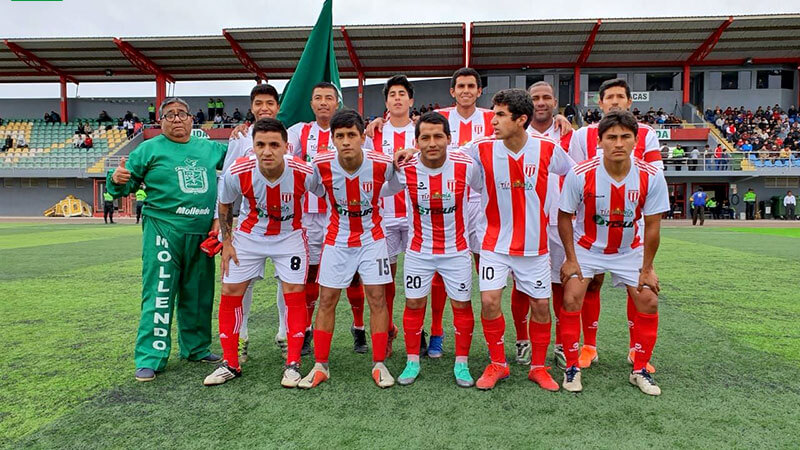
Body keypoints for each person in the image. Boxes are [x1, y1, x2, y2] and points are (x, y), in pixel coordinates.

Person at [394, 89, 575, 390]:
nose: (493, 120)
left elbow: (573, 174)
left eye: (501, 115)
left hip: (534, 245)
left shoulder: (548, 149)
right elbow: (441, 150)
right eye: (493, 112)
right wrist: (413, 151)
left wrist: (561, 208)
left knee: (541, 306)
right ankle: (498, 364)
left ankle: (539, 367)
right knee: (490, 302)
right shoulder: (480, 148)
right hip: (493, 243)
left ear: (521, 119)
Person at [106, 97, 227, 382]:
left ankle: (196, 348)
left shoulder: (210, 148)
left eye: (181, 114)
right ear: (160, 122)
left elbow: (240, 163)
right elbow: (123, 185)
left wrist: (243, 136)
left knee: (198, 293)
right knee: (160, 293)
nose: (176, 119)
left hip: (200, 232)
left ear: (190, 120)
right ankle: (150, 357)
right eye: (169, 115)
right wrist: (117, 178)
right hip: (163, 230)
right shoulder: (148, 149)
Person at [558, 110, 670, 395]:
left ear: (635, 141)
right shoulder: (580, 173)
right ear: (600, 141)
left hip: (628, 250)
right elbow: (564, 216)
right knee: (571, 297)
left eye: (625, 137)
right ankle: (572, 367)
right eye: (611, 138)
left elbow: (654, 227)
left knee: (648, 299)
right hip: (587, 248)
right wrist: (570, 259)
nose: (618, 143)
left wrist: (648, 268)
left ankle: (640, 369)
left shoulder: (652, 175)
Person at [203, 118, 313, 388]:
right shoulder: (238, 170)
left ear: (286, 146)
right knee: (230, 292)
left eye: (274, 144)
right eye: (260, 144)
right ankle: (230, 363)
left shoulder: (304, 171)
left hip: (289, 236)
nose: (267, 151)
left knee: (294, 294)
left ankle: (293, 364)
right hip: (249, 237)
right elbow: (225, 204)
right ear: (252, 146)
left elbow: (327, 195)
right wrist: (227, 241)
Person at [298, 110, 396, 389]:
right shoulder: (320, 164)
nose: (346, 141)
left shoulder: (381, 163)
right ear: (332, 139)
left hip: (372, 240)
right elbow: (315, 189)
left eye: (352, 135)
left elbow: (397, 182)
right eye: (339, 136)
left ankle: (379, 364)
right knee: (327, 300)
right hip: (337, 240)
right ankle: (320, 366)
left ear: (363, 136)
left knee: (377, 299)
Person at [382, 112, 481, 387]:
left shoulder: (465, 165)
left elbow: (487, 189)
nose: (432, 142)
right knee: (414, 303)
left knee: (461, 304)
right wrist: (392, 163)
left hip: (456, 250)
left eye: (438, 136)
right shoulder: (407, 168)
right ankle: (412, 361)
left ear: (449, 139)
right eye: (425, 137)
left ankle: (461, 363)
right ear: (416, 141)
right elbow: (381, 188)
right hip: (419, 252)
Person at [287, 82, 367, 356]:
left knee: (355, 274)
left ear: (337, 103)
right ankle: (307, 331)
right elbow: (283, 154)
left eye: (328, 98)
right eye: (317, 98)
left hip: (342, 214)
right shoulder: (300, 131)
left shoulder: (349, 133)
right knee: (311, 275)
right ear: (311, 104)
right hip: (309, 215)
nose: (323, 102)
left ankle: (359, 328)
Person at [225, 83, 288, 361]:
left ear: (277, 107)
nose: (264, 108)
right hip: (250, 225)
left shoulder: (290, 136)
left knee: (286, 282)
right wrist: (223, 227)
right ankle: (243, 336)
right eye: (259, 103)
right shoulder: (239, 138)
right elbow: (226, 183)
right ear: (252, 107)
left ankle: (284, 333)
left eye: (270, 103)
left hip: (287, 224)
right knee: (243, 282)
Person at [517, 81, 575, 369]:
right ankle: (522, 341)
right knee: (522, 287)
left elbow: (578, 174)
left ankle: (562, 343)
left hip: (561, 221)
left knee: (560, 285)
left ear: (555, 102)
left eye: (546, 98)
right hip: (527, 223)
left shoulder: (569, 134)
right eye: (535, 98)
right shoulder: (515, 134)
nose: (540, 102)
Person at [364, 75, 417, 355]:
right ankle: (387, 330)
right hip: (383, 216)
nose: (397, 98)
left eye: (402, 94)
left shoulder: (422, 130)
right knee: (385, 279)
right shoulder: (373, 133)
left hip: (417, 216)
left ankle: (415, 331)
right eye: (392, 94)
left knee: (417, 278)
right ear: (386, 101)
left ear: (410, 100)